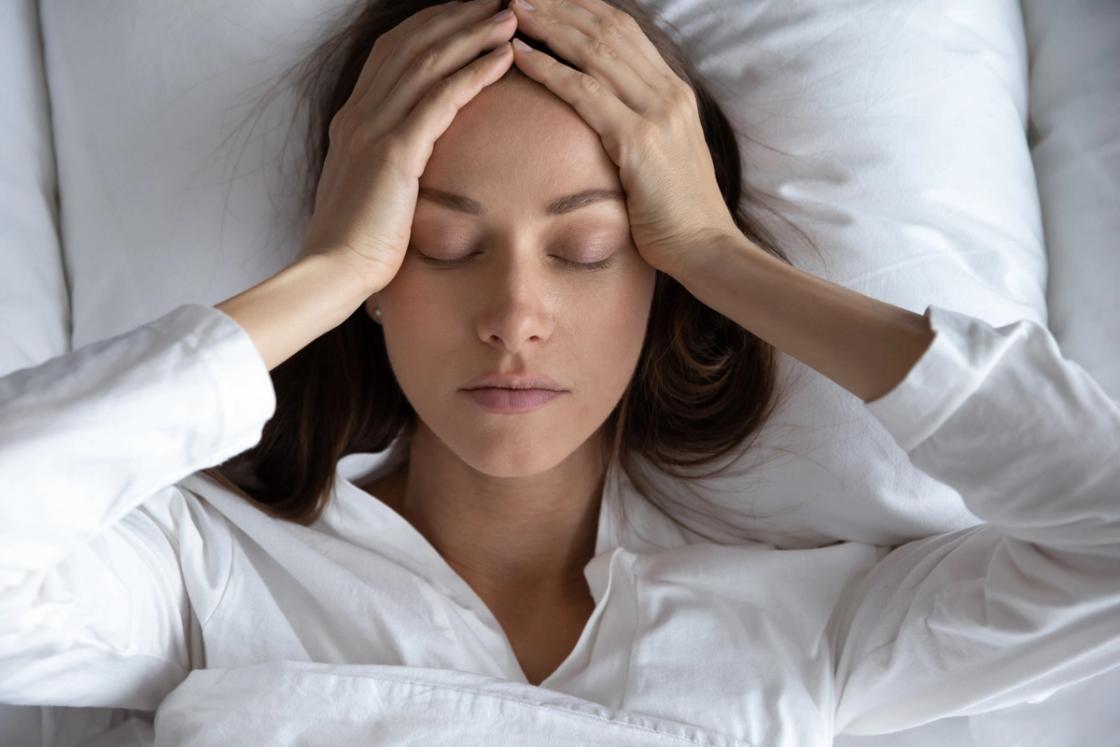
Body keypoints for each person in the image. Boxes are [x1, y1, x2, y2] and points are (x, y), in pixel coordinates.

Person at [1, 0, 1117, 743]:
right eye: (440, 246)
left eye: (587, 252)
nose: (514, 318)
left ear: (659, 282)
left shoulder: (795, 621)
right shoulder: (211, 570)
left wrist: (724, 258)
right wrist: (325, 273)